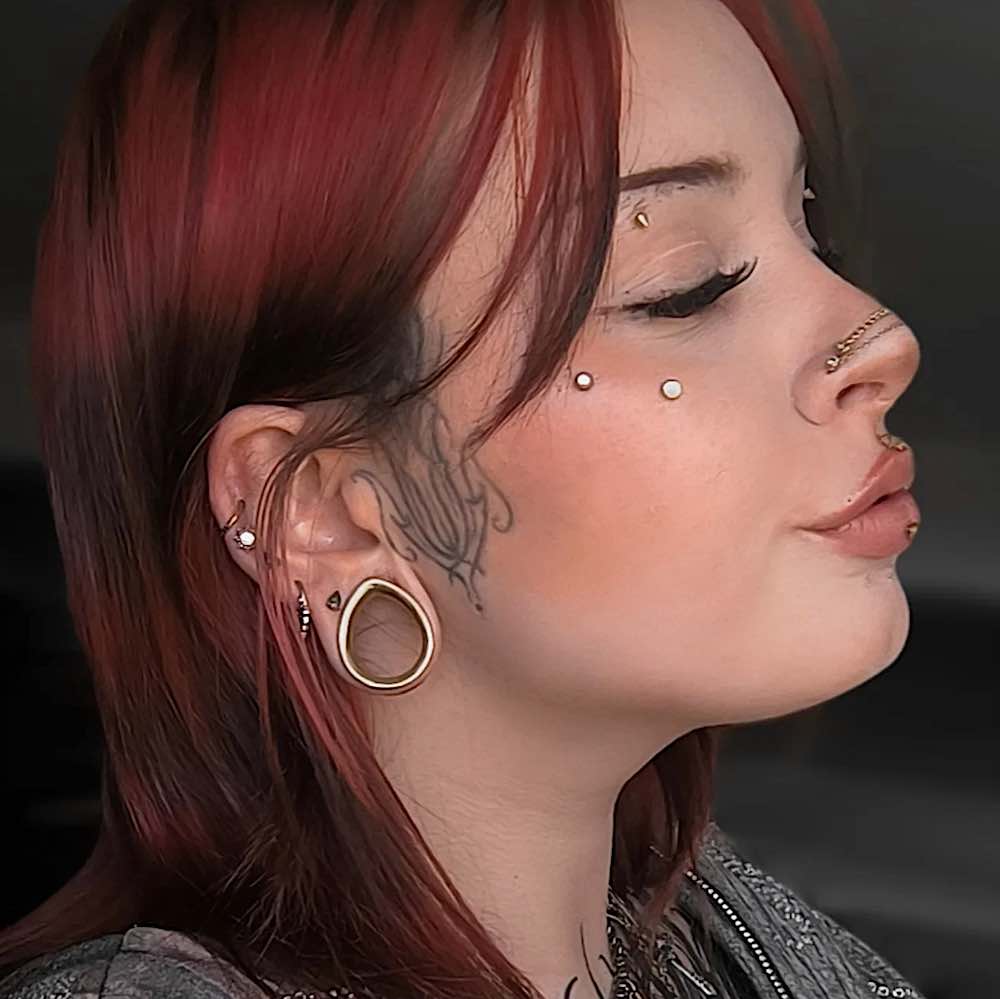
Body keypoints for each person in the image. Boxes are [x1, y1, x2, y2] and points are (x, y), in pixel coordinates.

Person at [0, 0, 927, 997]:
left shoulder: (749, 950)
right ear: (323, 511)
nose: (882, 339)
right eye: (685, 285)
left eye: (810, 231)